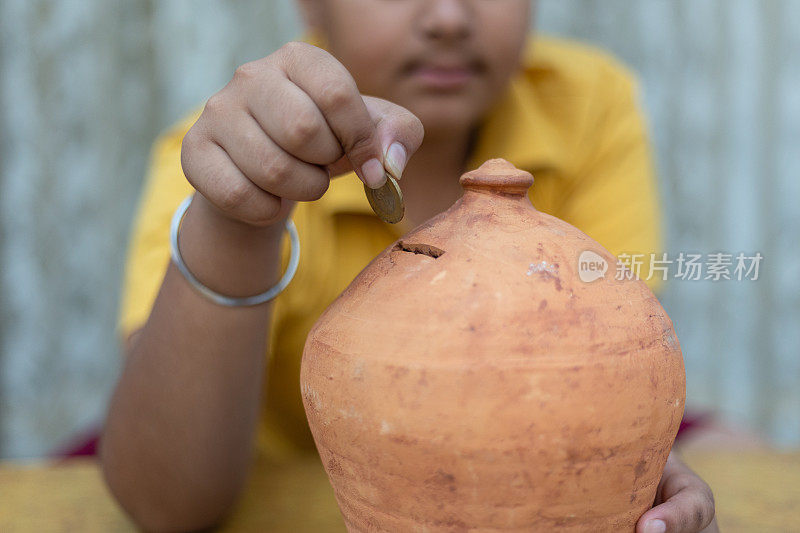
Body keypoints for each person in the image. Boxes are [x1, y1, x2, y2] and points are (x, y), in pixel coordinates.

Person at [100, 1, 719, 532]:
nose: (449, 18)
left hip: (528, 438)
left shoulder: (587, 104)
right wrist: (236, 224)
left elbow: (616, 369)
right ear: (313, 6)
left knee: (727, 449)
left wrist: (630, 460)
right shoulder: (236, 151)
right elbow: (164, 500)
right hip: (268, 467)